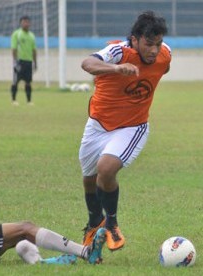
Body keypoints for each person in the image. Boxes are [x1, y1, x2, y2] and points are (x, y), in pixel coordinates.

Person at [78, 11, 171, 251]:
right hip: (98, 124)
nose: (154, 50)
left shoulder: (165, 54)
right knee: (89, 179)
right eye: (148, 44)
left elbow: (163, 67)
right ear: (135, 39)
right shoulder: (118, 52)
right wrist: (116, 70)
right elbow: (87, 63)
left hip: (132, 126)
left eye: (157, 44)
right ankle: (93, 222)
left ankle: (111, 223)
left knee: (105, 169)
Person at [10, 15, 37, 106]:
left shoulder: (32, 36)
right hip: (19, 61)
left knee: (28, 82)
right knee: (15, 81)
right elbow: (14, 49)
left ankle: (29, 101)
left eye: (27, 22)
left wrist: (35, 62)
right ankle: (14, 100)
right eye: (24, 22)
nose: (26, 24)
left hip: (28, 62)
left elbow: (34, 50)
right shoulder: (17, 34)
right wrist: (14, 61)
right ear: (20, 23)